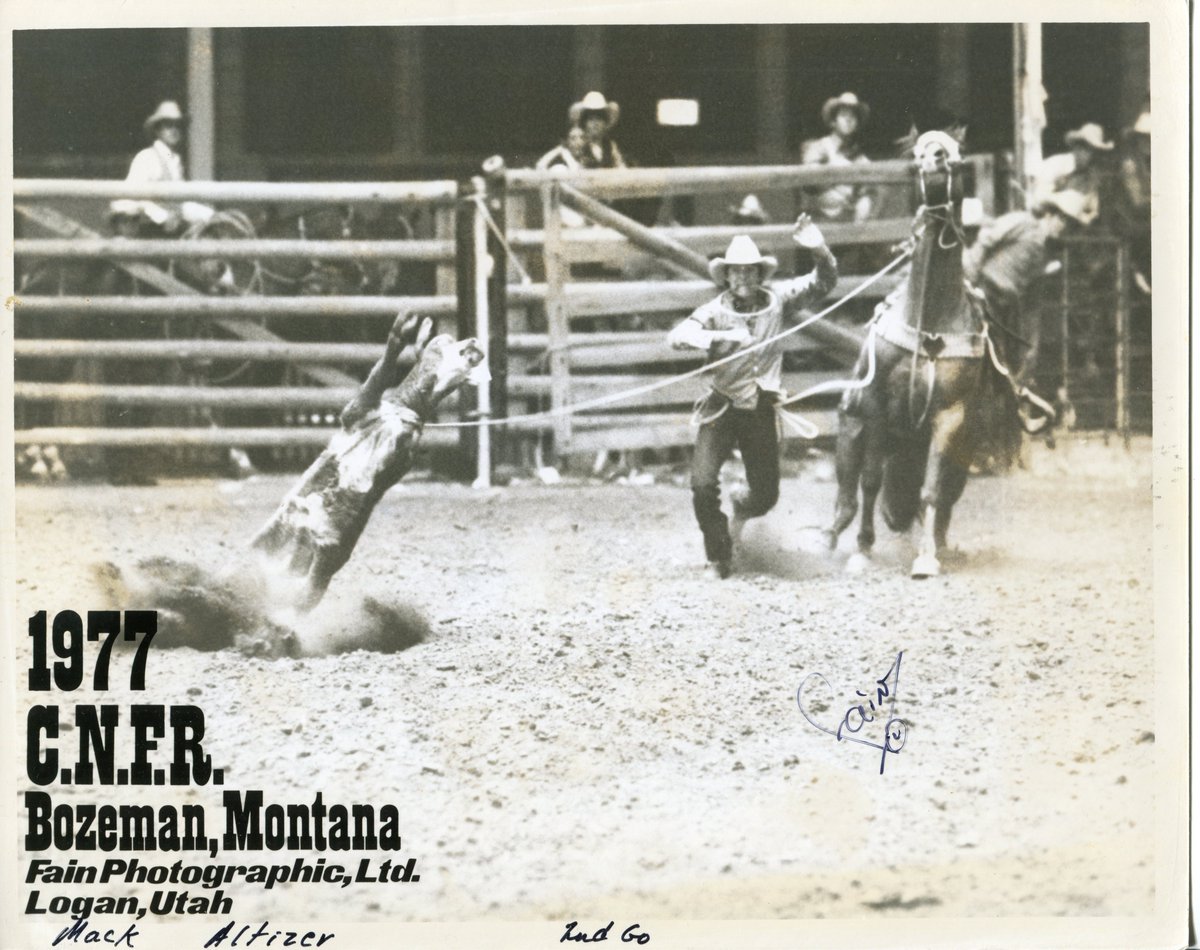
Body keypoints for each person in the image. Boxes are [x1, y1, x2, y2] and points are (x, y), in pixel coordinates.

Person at [667, 217, 838, 579]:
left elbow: (824, 282)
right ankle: (719, 554)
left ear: (760, 275)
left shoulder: (777, 303)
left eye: (750, 271)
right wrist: (718, 337)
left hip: (760, 410)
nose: (743, 278)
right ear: (726, 276)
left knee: (766, 496)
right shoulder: (714, 311)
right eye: (736, 272)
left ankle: (741, 508)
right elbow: (679, 336)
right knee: (701, 484)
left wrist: (817, 248)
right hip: (721, 407)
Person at [964, 189, 1090, 383]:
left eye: (1070, 225)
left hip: (1006, 304)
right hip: (984, 289)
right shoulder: (1023, 223)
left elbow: (1031, 294)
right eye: (1063, 220)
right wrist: (971, 275)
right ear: (1049, 213)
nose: (1064, 228)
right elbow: (987, 238)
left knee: (1006, 358)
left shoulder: (1045, 251)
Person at [109, 100, 214, 237]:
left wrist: (211, 217)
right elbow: (133, 197)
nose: (174, 130)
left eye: (177, 125)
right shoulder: (147, 157)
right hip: (147, 227)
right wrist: (162, 216)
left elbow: (180, 203)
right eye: (168, 125)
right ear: (157, 130)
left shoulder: (175, 160)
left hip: (172, 225)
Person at [800, 92, 874, 225]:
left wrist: (863, 201)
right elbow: (808, 181)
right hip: (819, 218)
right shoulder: (820, 147)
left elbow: (866, 189)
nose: (848, 120)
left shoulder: (859, 158)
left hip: (847, 221)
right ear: (834, 121)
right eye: (843, 115)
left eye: (853, 116)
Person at [1033, 122, 1114, 227]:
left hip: (1072, 227)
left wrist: (1084, 217)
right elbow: (1037, 198)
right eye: (1085, 149)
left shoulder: (1091, 176)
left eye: (1093, 152)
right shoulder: (1056, 164)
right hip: (1043, 219)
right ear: (1076, 147)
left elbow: (1092, 209)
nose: (1089, 156)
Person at [568, 91, 627, 169]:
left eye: (599, 119)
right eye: (591, 119)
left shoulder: (610, 146)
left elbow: (622, 170)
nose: (595, 124)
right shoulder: (579, 145)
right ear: (585, 123)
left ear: (605, 123)